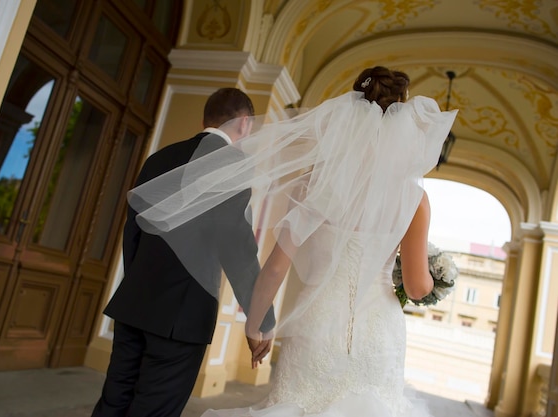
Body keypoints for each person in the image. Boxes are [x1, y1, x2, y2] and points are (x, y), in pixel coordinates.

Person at [129, 66, 457, 417]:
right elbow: (418, 286)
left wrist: (257, 327)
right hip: (379, 333)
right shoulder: (412, 198)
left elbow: (274, 269)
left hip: (318, 321)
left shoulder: (313, 183)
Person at [91, 87, 276, 417]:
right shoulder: (232, 165)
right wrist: (262, 316)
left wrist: (137, 281)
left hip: (134, 302)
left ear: (206, 119)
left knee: (114, 400)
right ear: (245, 123)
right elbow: (237, 248)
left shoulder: (160, 157)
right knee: (154, 410)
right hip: (182, 316)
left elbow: (133, 229)